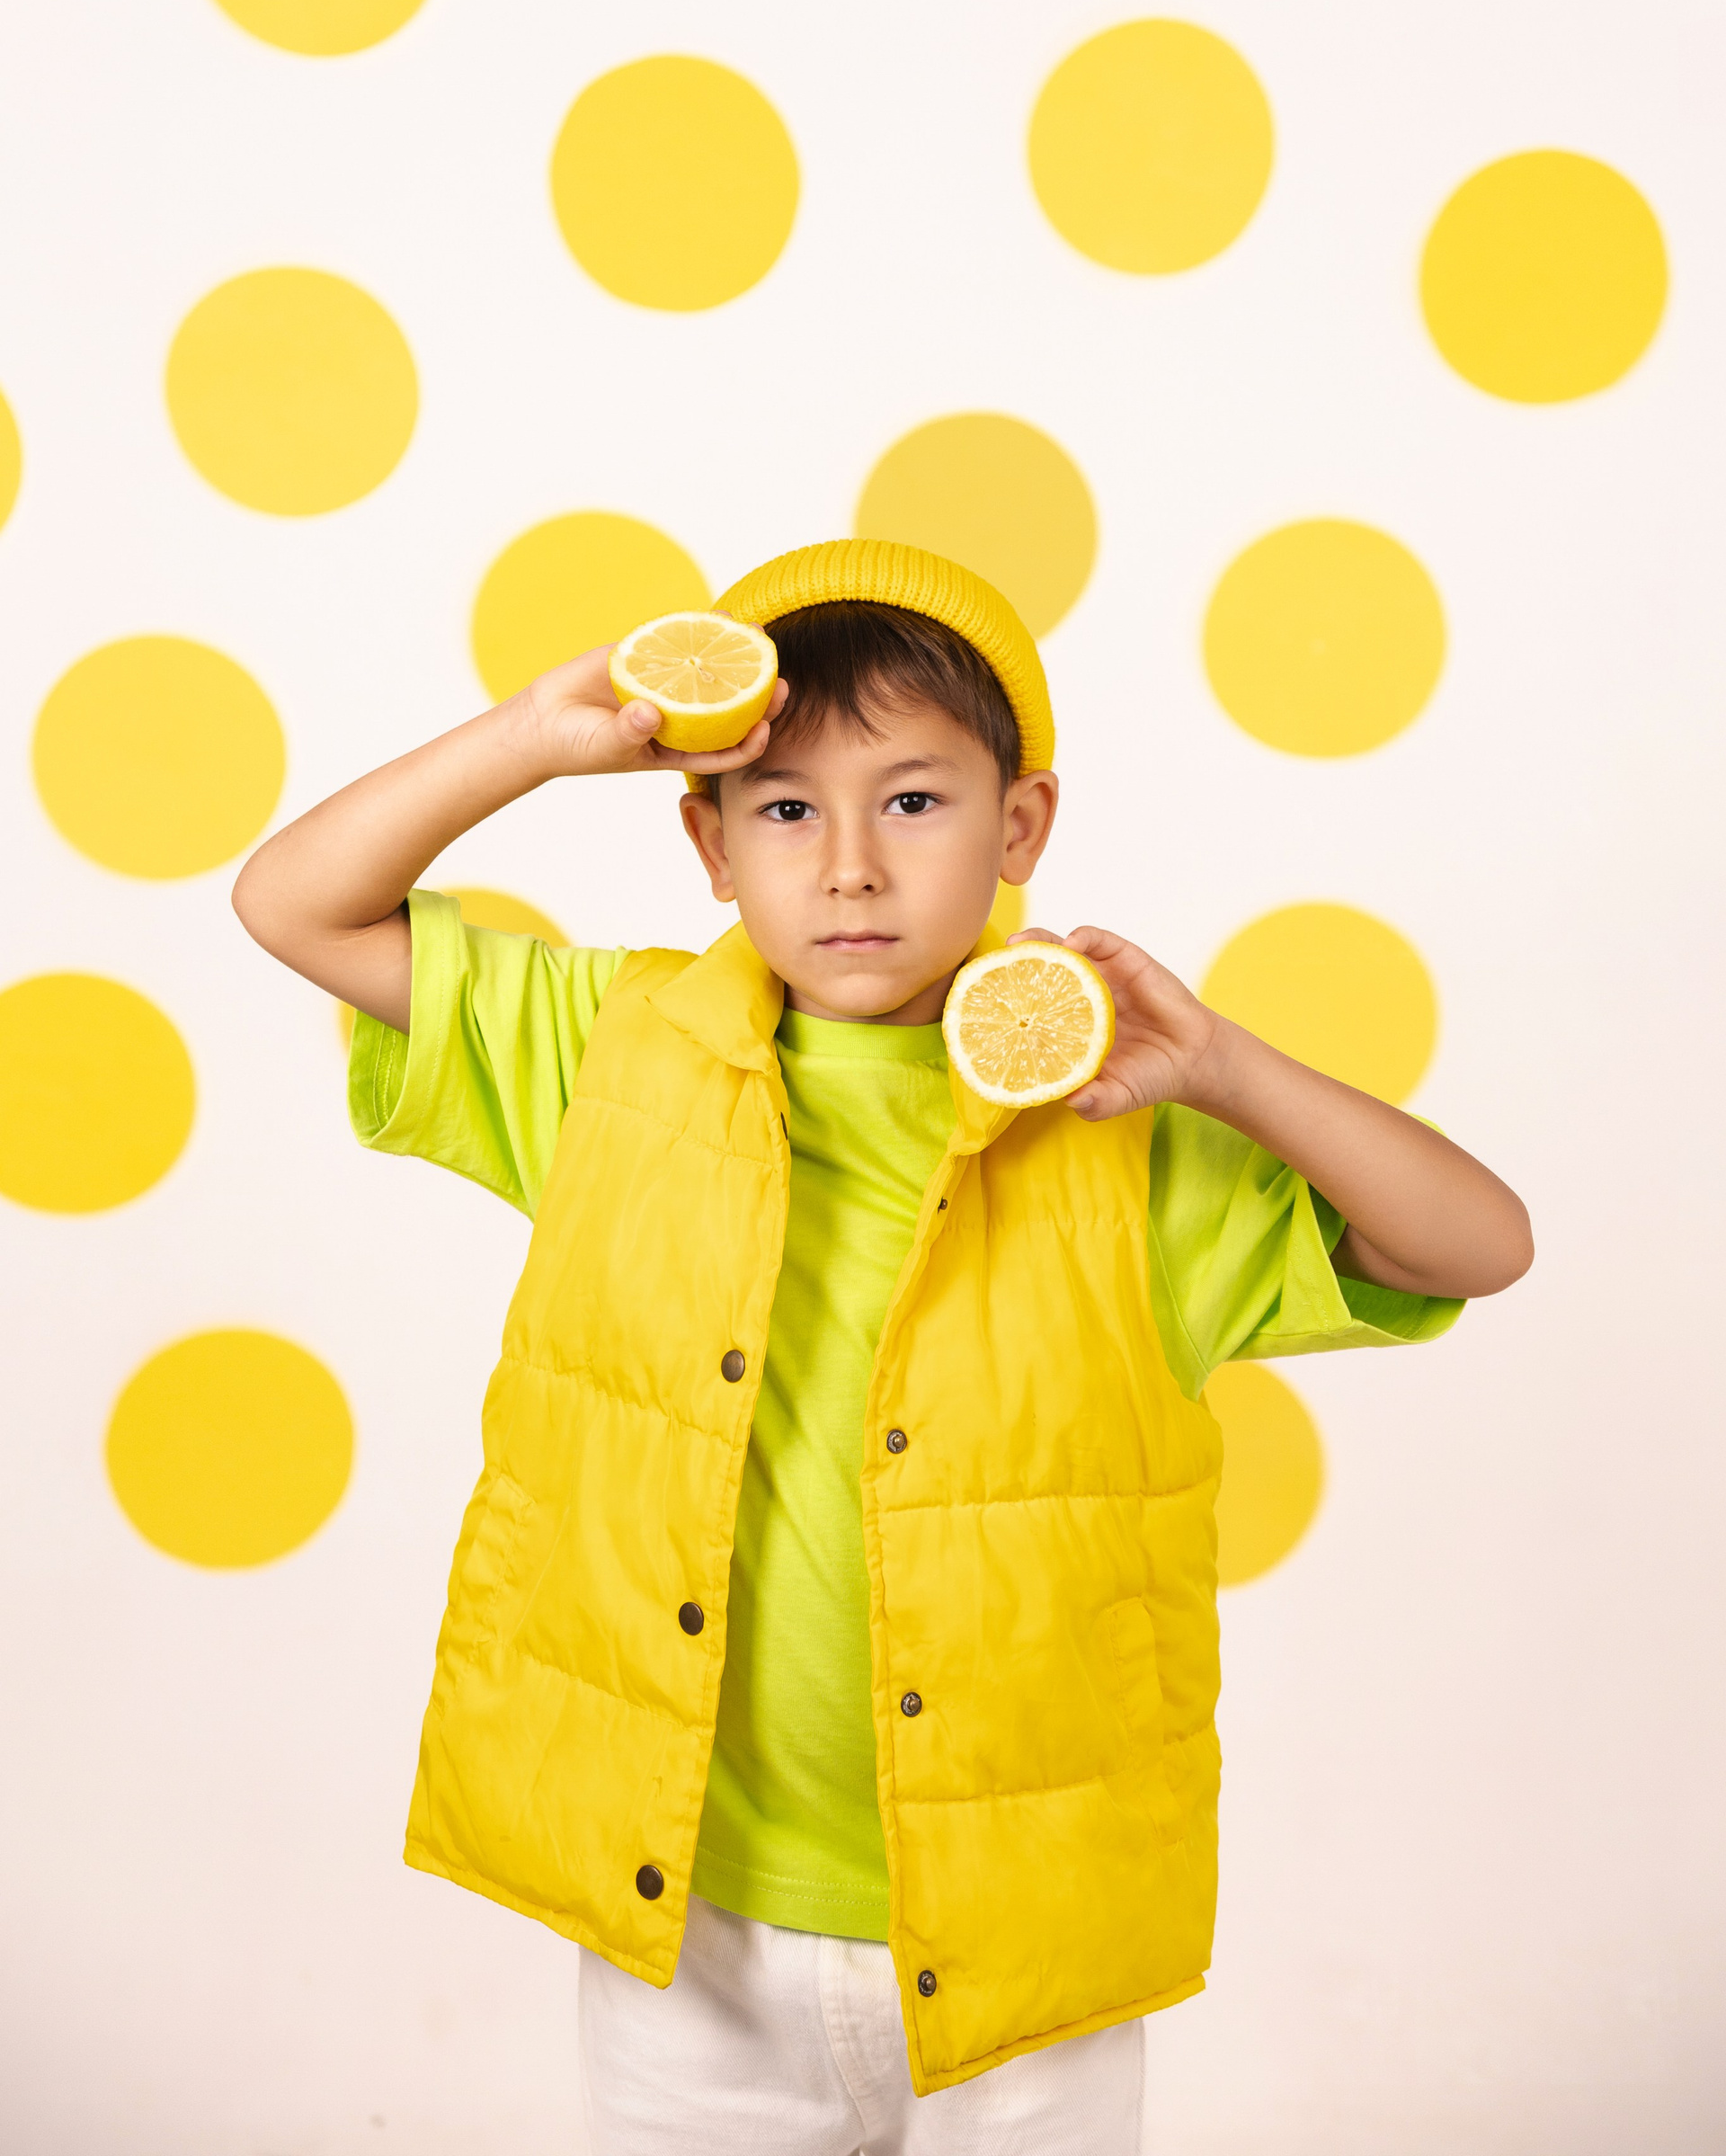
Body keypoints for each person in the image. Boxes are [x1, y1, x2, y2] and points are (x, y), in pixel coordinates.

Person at [233, 539, 1532, 2155]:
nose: (849, 867)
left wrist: (1224, 1068)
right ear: (708, 842)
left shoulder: (1125, 1133)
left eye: (913, 801)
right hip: (690, 1929)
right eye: (785, 809)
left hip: (1027, 1936)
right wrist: (535, 737)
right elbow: (289, 902)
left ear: (1020, 826)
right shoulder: (606, 1054)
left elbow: (1478, 1243)